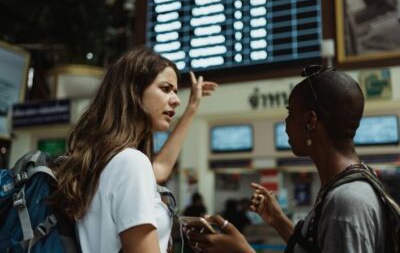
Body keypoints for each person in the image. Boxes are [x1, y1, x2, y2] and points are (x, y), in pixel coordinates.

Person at [186, 66, 391, 253]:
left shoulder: (347, 202)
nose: (285, 123)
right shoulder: (348, 186)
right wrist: (279, 221)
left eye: (290, 113)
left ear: (310, 121)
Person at [49, 47, 217, 253]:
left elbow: (161, 169)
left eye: (175, 91)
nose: (176, 99)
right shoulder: (130, 163)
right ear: (134, 91)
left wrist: (192, 108)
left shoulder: (104, 159)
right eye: (166, 88)